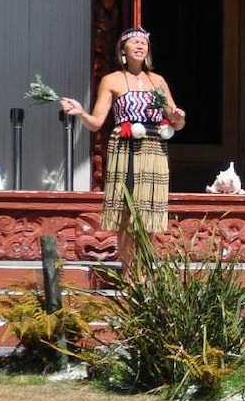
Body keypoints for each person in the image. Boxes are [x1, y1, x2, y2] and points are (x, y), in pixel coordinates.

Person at [59, 26, 187, 267]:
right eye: (134, 42)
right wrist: (80, 113)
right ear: (123, 50)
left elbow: (175, 121)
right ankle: (129, 271)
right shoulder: (112, 80)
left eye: (144, 42)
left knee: (149, 210)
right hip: (125, 147)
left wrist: (178, 118)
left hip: (153, 147)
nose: (140, 45)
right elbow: (97, 123)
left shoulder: (157, 81)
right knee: (128, 211)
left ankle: (146, 272)